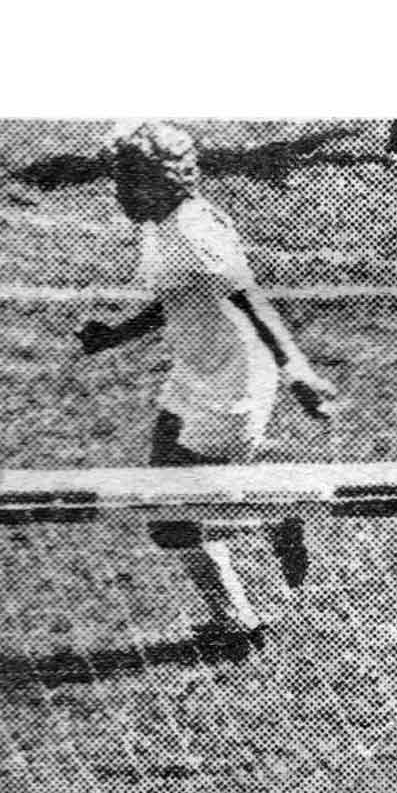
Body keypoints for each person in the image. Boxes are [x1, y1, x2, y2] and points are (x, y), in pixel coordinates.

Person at [77, 120, 345, 656]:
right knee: (167, 499)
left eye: (126, 183)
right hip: (194, 372)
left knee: (169, 517)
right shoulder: (164, 226)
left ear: (157, 183)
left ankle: (274, 515)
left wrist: (298, 374)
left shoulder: (195, 234)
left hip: (232, 384)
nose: (118, 194)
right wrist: (115, 335)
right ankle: (236, 623)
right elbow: (173, 300)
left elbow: (252, 301)